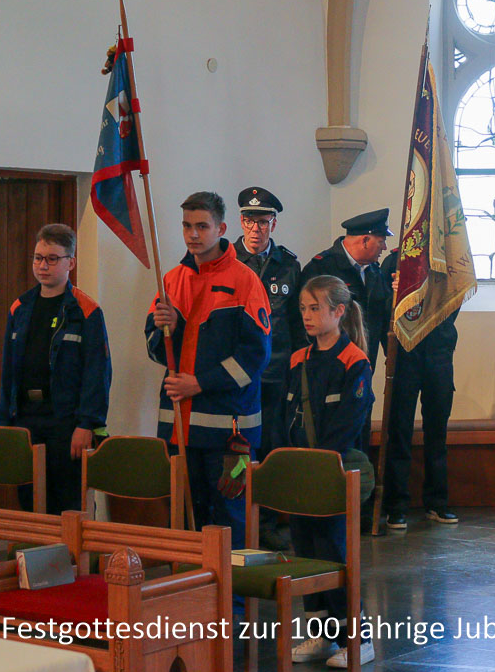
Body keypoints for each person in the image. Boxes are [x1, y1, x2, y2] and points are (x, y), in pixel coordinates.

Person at [146, 191, 271, 546]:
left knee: (230, 522)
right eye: (187, 226)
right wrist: (167, 328)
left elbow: (255, 357)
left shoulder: (245, 280)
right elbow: (155, 349)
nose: (193, 234)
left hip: (230, 434)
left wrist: (199, 383)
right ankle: (193, 583)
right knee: (187, 523)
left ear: (221, 229)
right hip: (178, 430)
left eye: (202, 226)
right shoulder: (171, 280)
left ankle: (232, 586)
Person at [285, 275, 376, 668]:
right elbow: (286, 415)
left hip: (331, 472)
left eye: (315, 308)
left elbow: (348, 422)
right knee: (305, 553)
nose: (307, 316)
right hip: (300, 472)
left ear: (339, 312)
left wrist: (318, 464)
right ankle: (320, 634)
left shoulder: (354, 361)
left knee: (333, 553)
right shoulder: (298, 359)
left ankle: (357, 639)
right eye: (303, 308)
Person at [0, 223, 111, 514]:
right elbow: (8, 371)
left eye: (52, 258)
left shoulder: (86, 311)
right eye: (38, 258)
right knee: (30, 500)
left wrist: (86, 424)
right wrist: (5, 421)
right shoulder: (20, 308)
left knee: (68, 503)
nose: (43, 266)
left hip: (66, 423)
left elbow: (97, 373)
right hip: (26, 419)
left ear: (71, 262)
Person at [233, 186, 303, 550]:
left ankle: (269, 523)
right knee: (239, 450)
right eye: (249, 221)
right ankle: (238, 522)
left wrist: (299, 368)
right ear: (240, 222)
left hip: (276, 374)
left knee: (273, 447)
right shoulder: (225, 260)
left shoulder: (288, 264)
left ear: (273, 224)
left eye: (262, 222)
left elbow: (296, 323)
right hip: (235, 376)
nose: (255, 229)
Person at [379, 250, 459, 531]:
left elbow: (454, 302)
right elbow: (381, 309)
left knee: (437, 432)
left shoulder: (447, 257)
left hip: (438, 353)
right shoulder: (395, 260)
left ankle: (437, 502)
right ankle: (396, 506)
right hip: (405, 354)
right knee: (399, 431)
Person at [299, 209, 392, 371]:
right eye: (381, 241)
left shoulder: (375, 272)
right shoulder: (322, 268)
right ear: (365, 240)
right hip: (328, 367)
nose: (384, 247)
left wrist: (392, 354)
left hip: (364, 364)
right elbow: (302, 322)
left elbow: (383, 317)